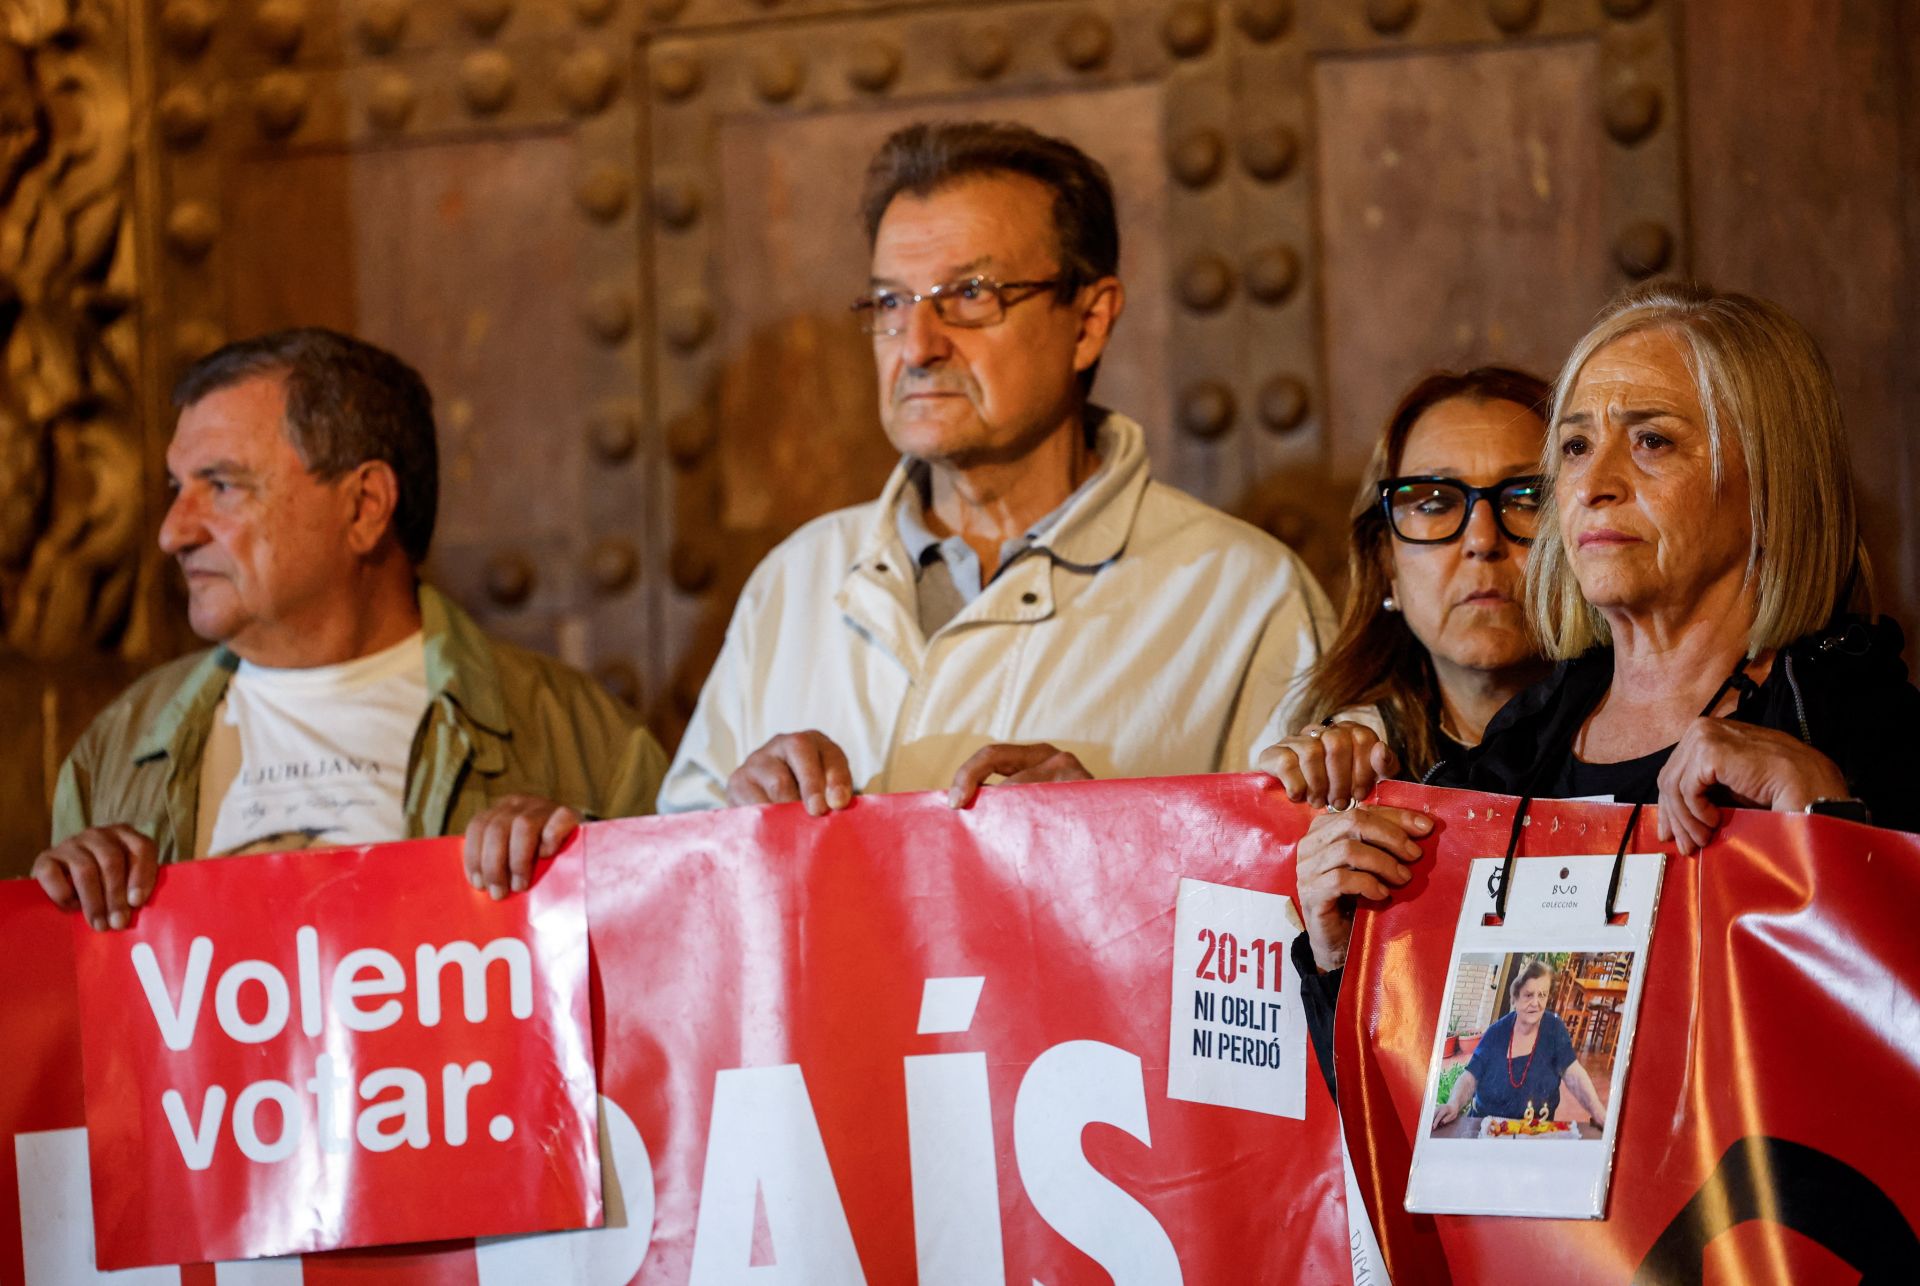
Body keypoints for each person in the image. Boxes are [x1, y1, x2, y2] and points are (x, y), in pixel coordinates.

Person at [1288, 281, 1920, 1085]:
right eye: (1577, 447)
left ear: (1768, 479)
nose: (1594, 483)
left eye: (1652, 441)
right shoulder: (1511, 759)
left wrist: (1828, 827)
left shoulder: (1865, 727)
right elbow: (1426, 1123)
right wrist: (1345, 957)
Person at [657, 120, 1331, 813]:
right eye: (892, 302)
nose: (917, 346)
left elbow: (1300, 893)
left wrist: (1118, 841)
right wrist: (737, 830)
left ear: (1089, 320)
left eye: (972, 295)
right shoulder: (795, 582)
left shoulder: (1245, 596)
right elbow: (671, 885)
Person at [30, 328, 667, 930]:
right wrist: (69, 905)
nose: (174, 532)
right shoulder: (118, 749)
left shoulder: (580, 739)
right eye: (178, 487)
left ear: (364, 507)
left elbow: (675, 987)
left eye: (221, 486)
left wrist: (582, 863)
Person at [1259, 367, 1554, 809]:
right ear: (1387, 565)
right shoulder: (1336, 776)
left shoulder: (1666, 748)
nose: (1482, 541)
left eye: (1526, 498)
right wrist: (1288, 843)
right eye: (1435, 503)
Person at [1433, 959, 1607, 1130]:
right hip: (1486, 1131)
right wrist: (1453, 1104)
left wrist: (1599, 1113)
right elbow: (1470, 1077)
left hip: (1533, 1134)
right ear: (1514, 999)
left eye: (1542, 995)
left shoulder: (1554, 1029)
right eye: (1529, 995)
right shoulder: (1496, 1033)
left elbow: (1574, 1075)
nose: (1536, 1003)